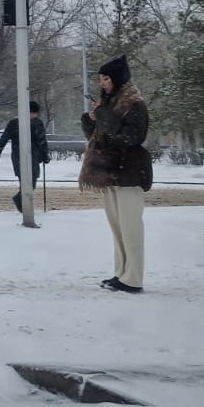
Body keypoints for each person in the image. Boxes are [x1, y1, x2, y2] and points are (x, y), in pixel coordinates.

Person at [79, 55, 152, 294]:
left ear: (118, 79)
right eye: (101, 78)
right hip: (111, 173)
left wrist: (104, 116)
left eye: (107, 78)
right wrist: (90, 120)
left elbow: (132, 137)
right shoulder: (109, 105)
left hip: (130, 172)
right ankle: (121, 272)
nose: (102, 83)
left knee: (131, 229)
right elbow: (100, 138)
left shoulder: (135, 105)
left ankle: (133, 278)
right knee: (118, 229)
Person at [0, 100, 49, 213]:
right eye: (32, 113)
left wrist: (45, 155)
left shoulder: (37, 123)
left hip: (32, 157)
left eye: (35, 113)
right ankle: (22, 205)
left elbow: (42, 141)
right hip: (19, 157)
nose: (34, 115)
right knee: (25, 182)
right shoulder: (15, 123)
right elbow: (3, 139)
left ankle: (21, 203)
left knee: (31, 183)